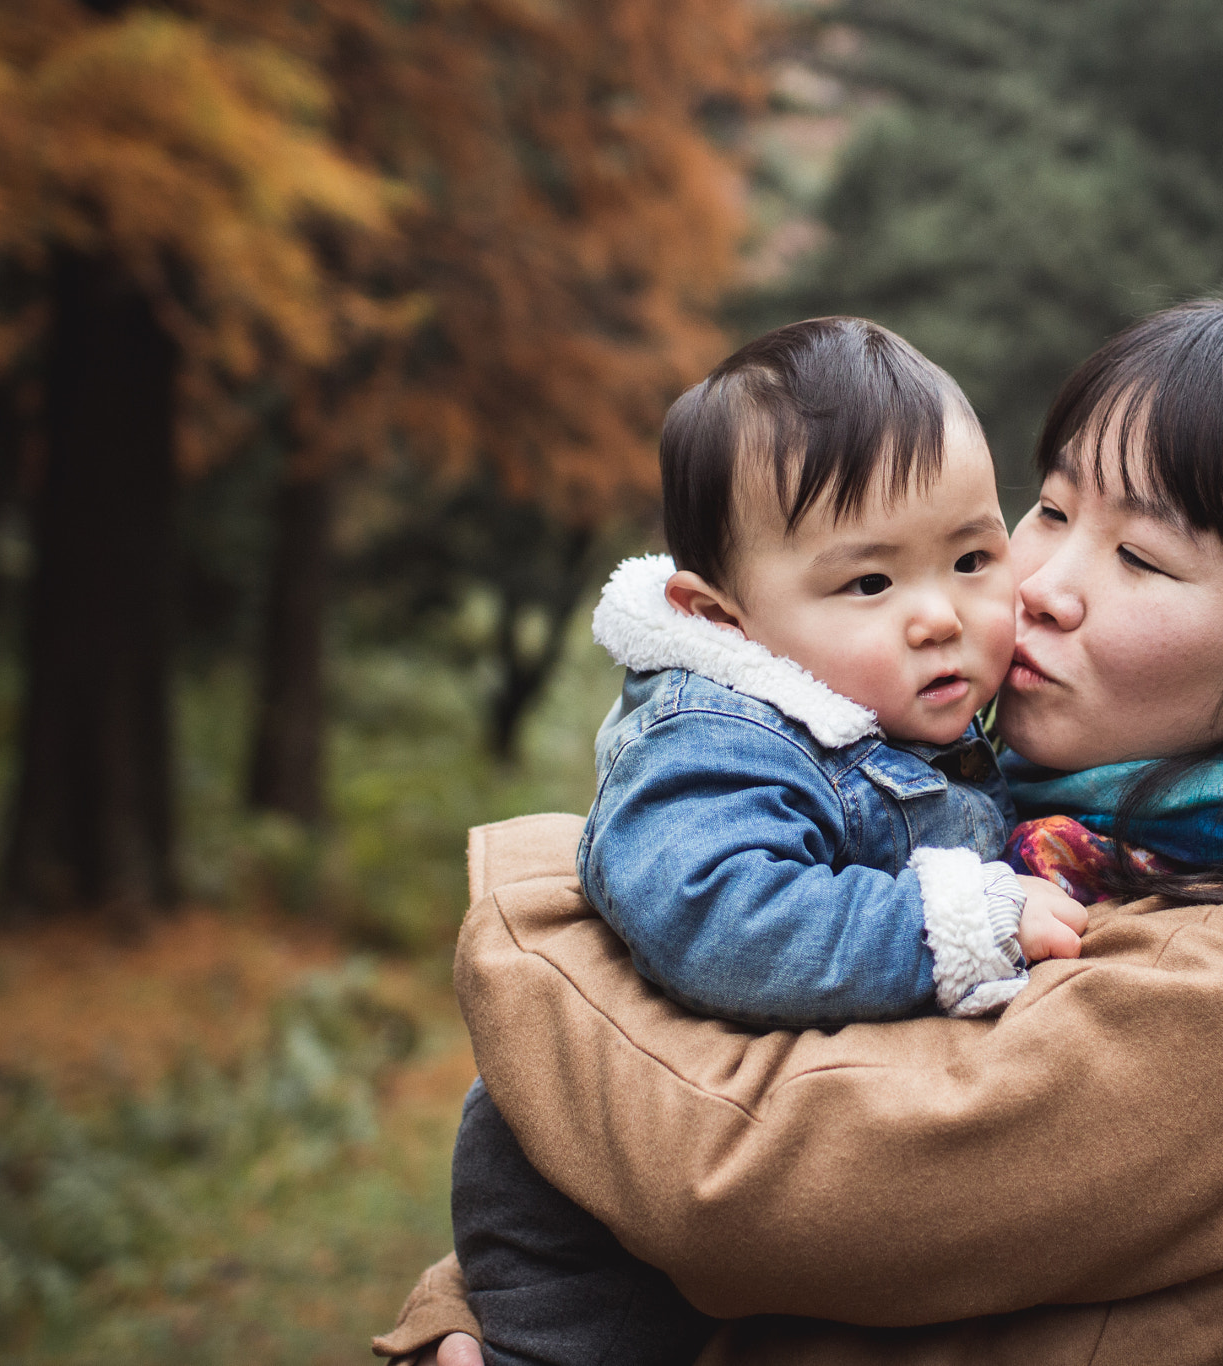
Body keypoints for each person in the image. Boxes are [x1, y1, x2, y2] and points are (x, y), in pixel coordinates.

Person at [379, 294, 1223, 1366]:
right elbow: (646, 1134)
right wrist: (474, 1310)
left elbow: (725, 1179)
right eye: (1053, 511)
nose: (1039, 584)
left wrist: (553, 889)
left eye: (1138, 557)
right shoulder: (1021, 823)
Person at [451, 317, 1092, 1366]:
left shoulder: (900, 719)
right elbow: (718, 917)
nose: (939, 614)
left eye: (973, 556)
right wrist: (953, 923)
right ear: (728, 617)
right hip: (589, 1234)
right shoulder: (715, 739)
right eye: (869, 583)